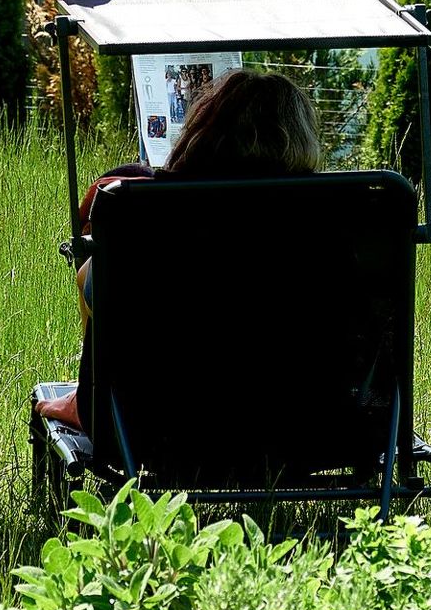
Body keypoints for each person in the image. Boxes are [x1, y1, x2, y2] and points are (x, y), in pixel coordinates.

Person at [35, 69, 322, 431]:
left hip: (162, 426)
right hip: (310, 423)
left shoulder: (148, 210)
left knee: (88, 274)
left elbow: (98, 286)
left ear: (204, 129)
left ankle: (88, 400)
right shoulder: (338, 212)